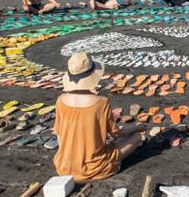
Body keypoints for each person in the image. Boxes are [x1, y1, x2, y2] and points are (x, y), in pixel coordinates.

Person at [52, 52, 145, 181]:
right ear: (92, 75)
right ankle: (105, 165)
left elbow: (59, 135)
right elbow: (116, 134)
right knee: (136, 137)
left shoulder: (60, 100)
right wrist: (137, 128)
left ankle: (73, 161)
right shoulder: (100, 102)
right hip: (95, 168)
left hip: (64, 167)